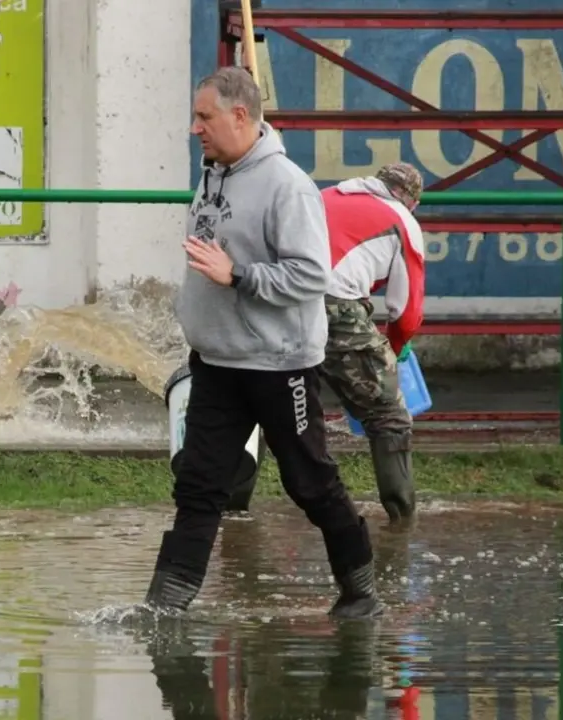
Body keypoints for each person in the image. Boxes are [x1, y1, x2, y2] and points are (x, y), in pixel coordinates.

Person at [143, 66, 379, 619]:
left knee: (310, 484)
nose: (194, 128)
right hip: (217, 363)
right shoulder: (211, 175)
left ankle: (361, 590)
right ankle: (164, 606)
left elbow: (311, 276)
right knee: (197, 486)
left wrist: (240, 276)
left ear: (240, 116)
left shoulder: (288, 187)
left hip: (279, 367)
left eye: (205, 117)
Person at [319, 163, 427, 524]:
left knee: (270, 404)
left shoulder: (325, 195)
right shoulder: (403, 220)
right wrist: (396, 350)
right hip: (336, 309)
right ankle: (402, 519)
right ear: (411, 201)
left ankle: (233, 508)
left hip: (276, 302)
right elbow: (405, 310)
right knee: (389, 415)